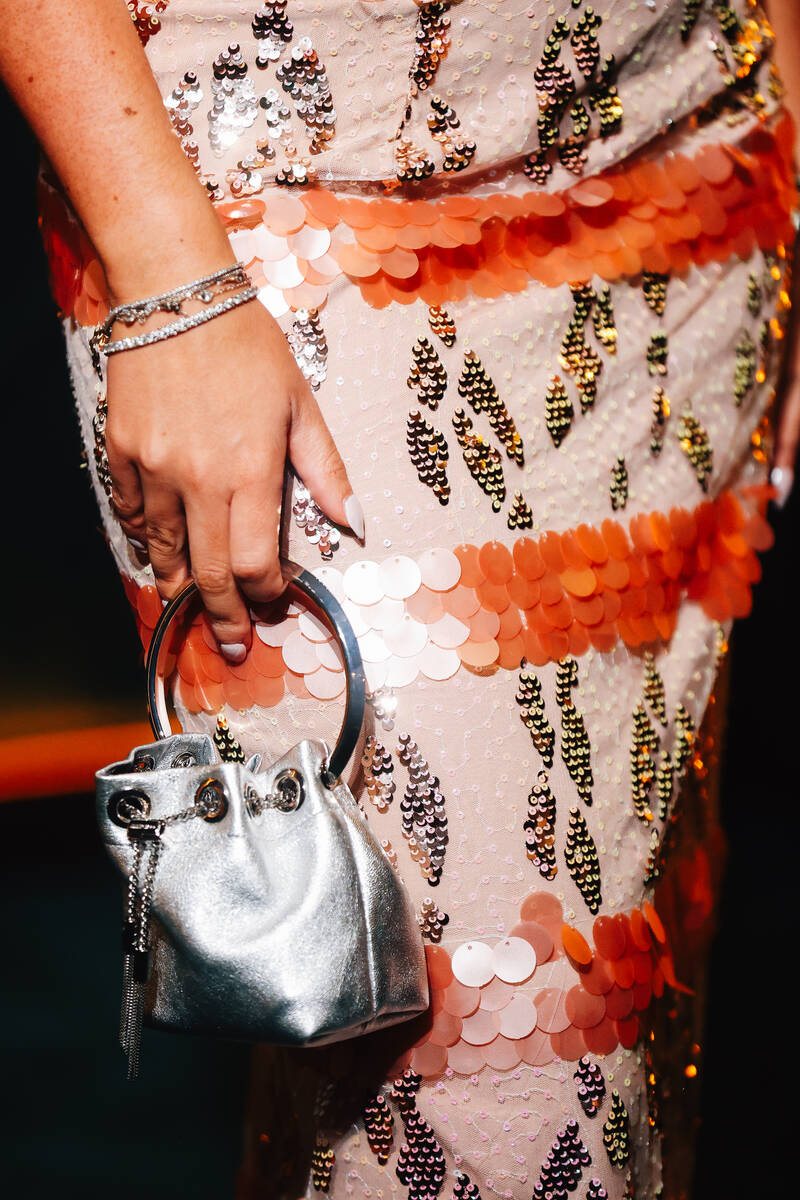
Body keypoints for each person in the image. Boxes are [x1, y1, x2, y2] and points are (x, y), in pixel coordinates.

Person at [1, 2, 798, 1196]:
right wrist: (169, 272)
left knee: (619, 1019)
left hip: (685, 148)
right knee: (474, 1081)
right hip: (272, 198)